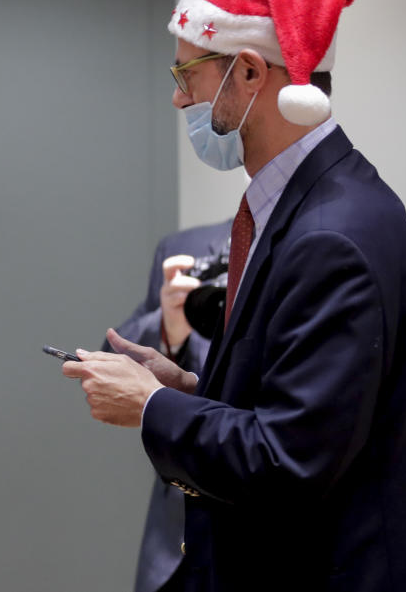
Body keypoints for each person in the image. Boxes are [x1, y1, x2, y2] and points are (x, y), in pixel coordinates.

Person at [64, 0, 406, 591]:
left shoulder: (332, 235)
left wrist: (151, 406)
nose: (179, 101)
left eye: (188, 75)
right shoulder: (303, 205)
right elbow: (290, 409)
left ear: (252, 73)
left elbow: (289, 459)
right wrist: (183, 383)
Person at [106, 220, 230, 592]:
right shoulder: (186, 247)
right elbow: (115, 357)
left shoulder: (307, 247)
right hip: (174, 536)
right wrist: (168, 328)